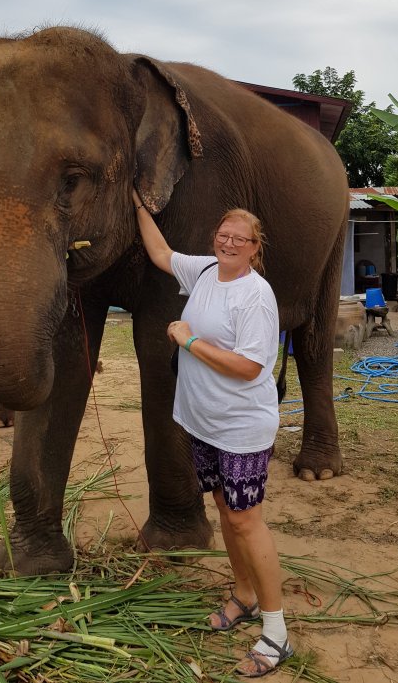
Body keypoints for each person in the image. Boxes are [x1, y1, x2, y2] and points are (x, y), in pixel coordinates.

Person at [133, 190, 292, 678]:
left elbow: (249, 367)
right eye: (224, 235)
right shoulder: (203, 271)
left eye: (240, 239)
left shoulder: (255, 296)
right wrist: (137, 205)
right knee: (224, 508)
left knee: (247, 521)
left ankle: (277, 632)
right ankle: (243, 595)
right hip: (204, 421)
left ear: (254, 248)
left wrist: (189, 340)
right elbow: (161, 253)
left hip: (241, 426)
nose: (229, 243)